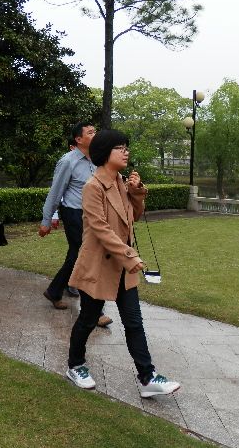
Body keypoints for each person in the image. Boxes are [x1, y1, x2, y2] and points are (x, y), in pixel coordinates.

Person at [65, 129, 180, 398]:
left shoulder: (121, 182)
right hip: (99, 266)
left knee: (134, 322)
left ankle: (147, 377)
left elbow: (133, 218)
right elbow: (100, 228)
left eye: (126, 148)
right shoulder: (93, 187)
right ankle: (75, 365)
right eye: (120, 148)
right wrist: (129, 255)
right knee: (88, 319)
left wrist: (136, 192)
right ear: (105, 153)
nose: (126, 152)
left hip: (121, 268)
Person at [39, 122, 112, 327]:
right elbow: (55, 192)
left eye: (95, 131)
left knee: (76, 256)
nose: (95, 134)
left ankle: (54, 291)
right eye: (90, 132)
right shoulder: (67, 161)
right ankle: (95, 312)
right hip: (74, 213)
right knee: (88, 258)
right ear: (78, 139)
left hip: (94, 215)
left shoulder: (98, 158)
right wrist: (46, 220)